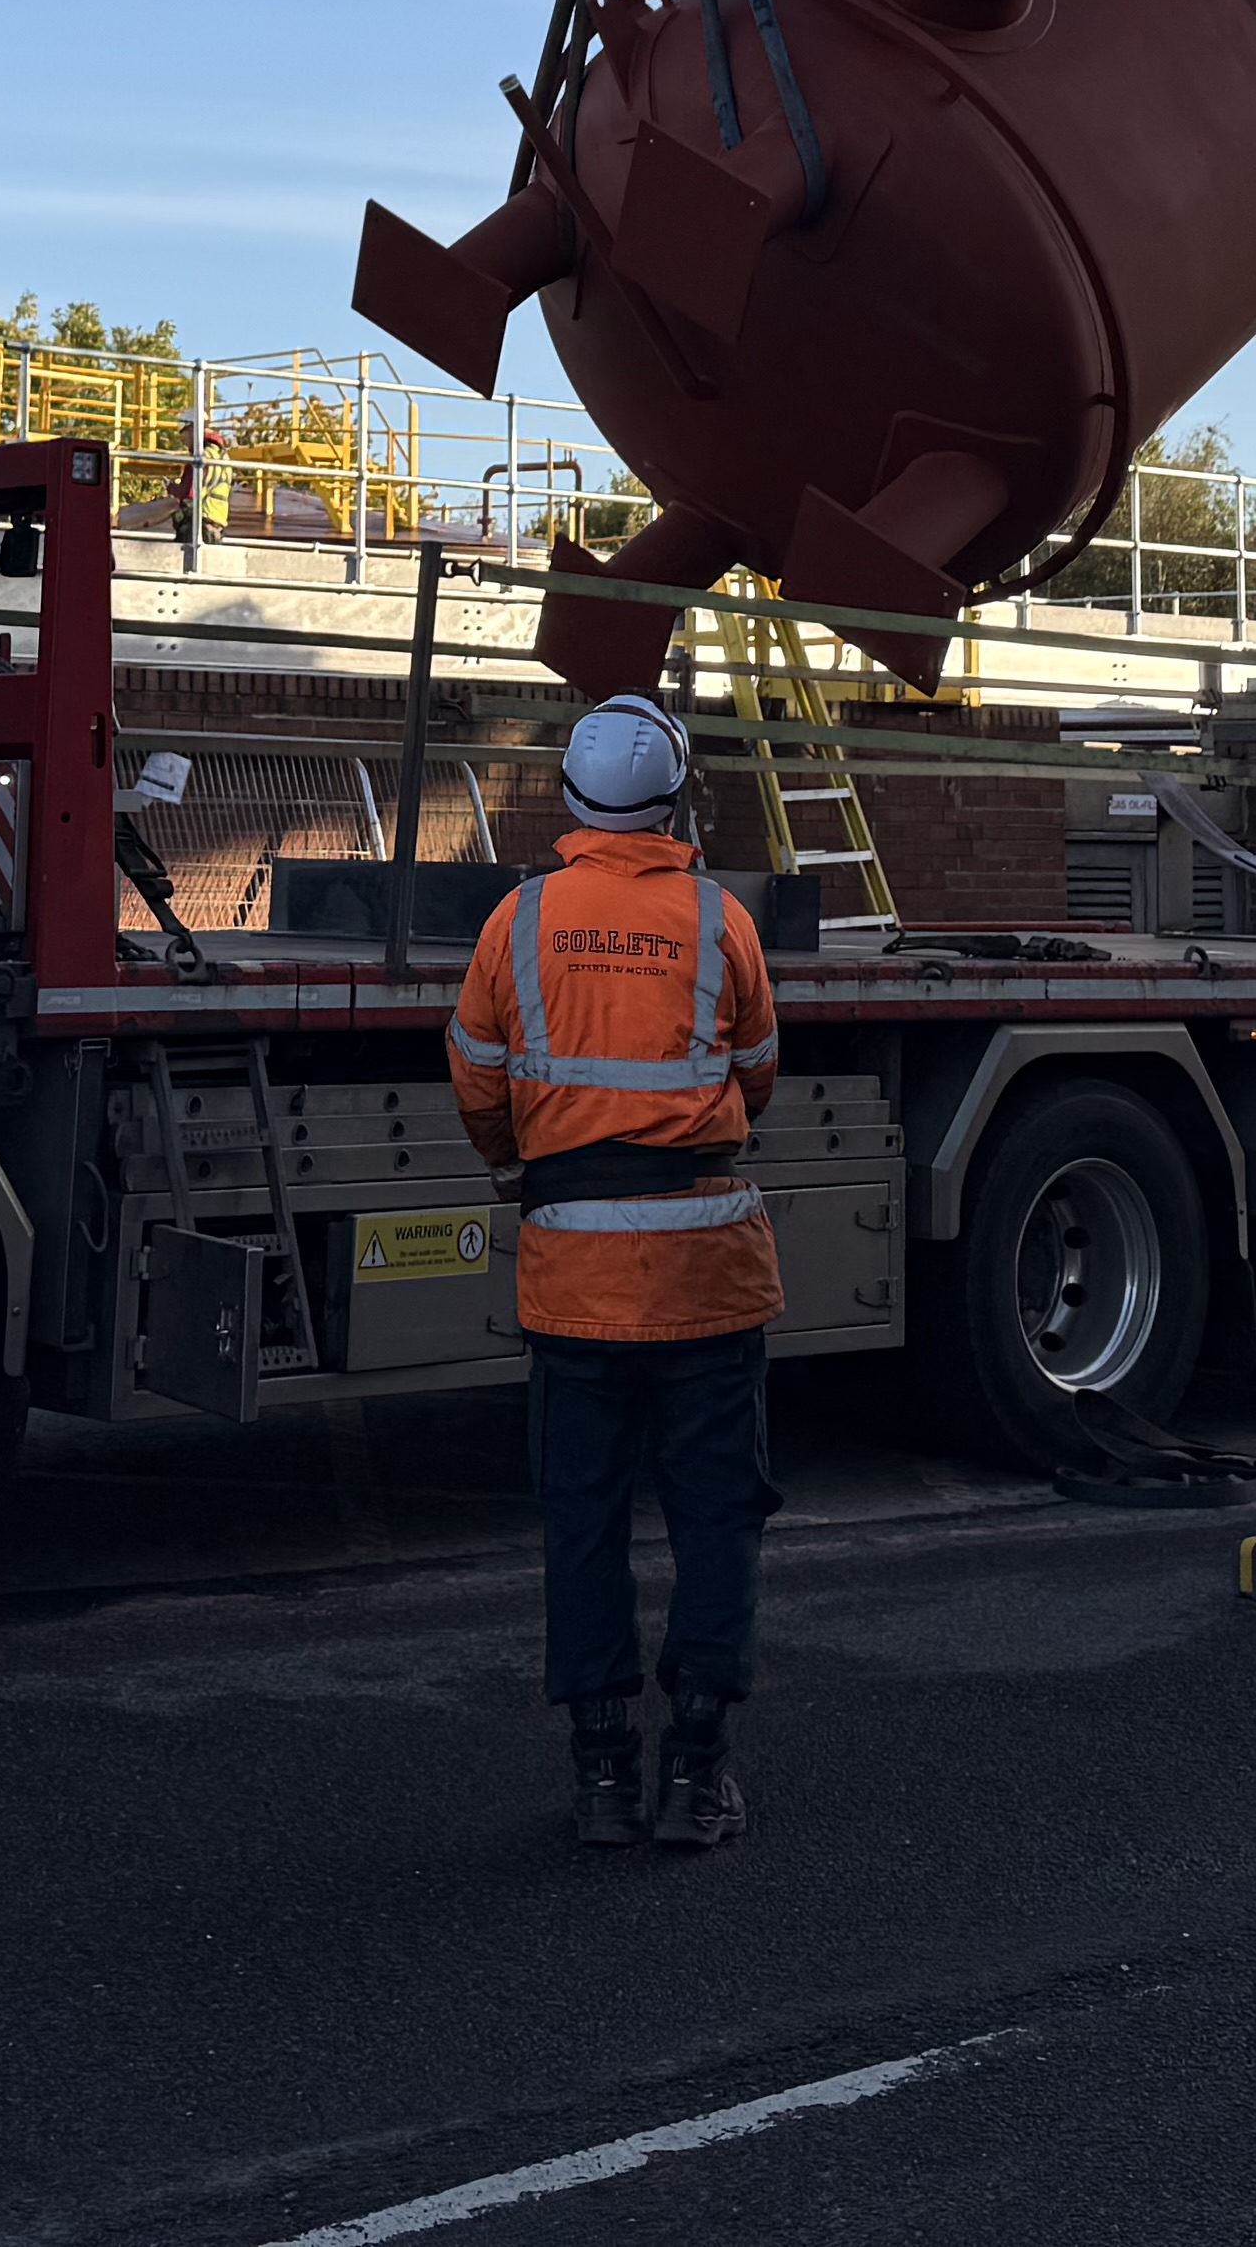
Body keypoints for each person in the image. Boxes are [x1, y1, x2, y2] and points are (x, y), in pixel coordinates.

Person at [454, 687, 783, 1853]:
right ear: (678, 795)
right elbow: (757, 1073)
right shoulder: (719, 919)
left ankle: (602, 1776)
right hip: (707, 1274)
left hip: (573, 1276)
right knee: (715, 1516)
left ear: (573, 799)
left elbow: (479, 1078)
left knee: (582, 1521)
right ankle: (698, 1774)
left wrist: (523, 1163)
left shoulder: (517, 918)